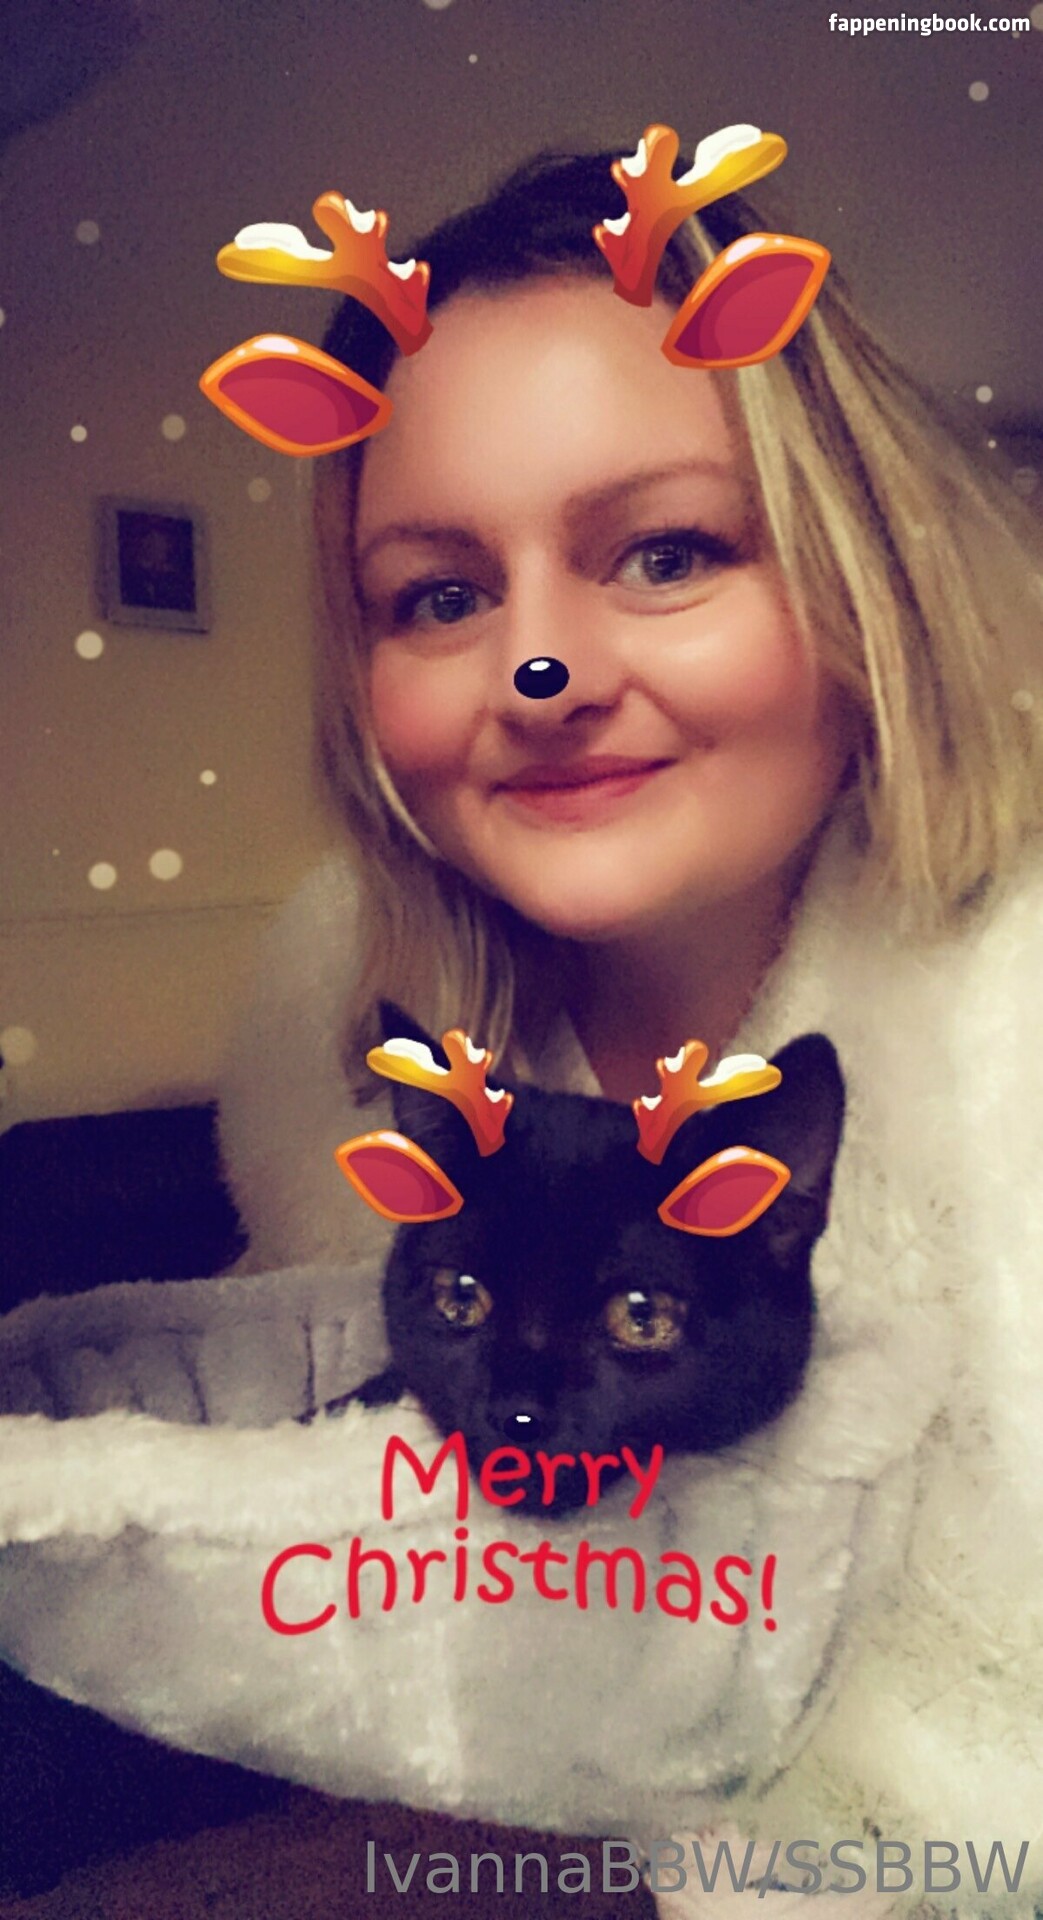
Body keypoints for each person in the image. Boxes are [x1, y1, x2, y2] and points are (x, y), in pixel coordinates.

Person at [211, 143, 1043, 1905]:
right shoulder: (335, 1053)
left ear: (860, 577)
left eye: (665, 552)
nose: (543, 674)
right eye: (442, 594)